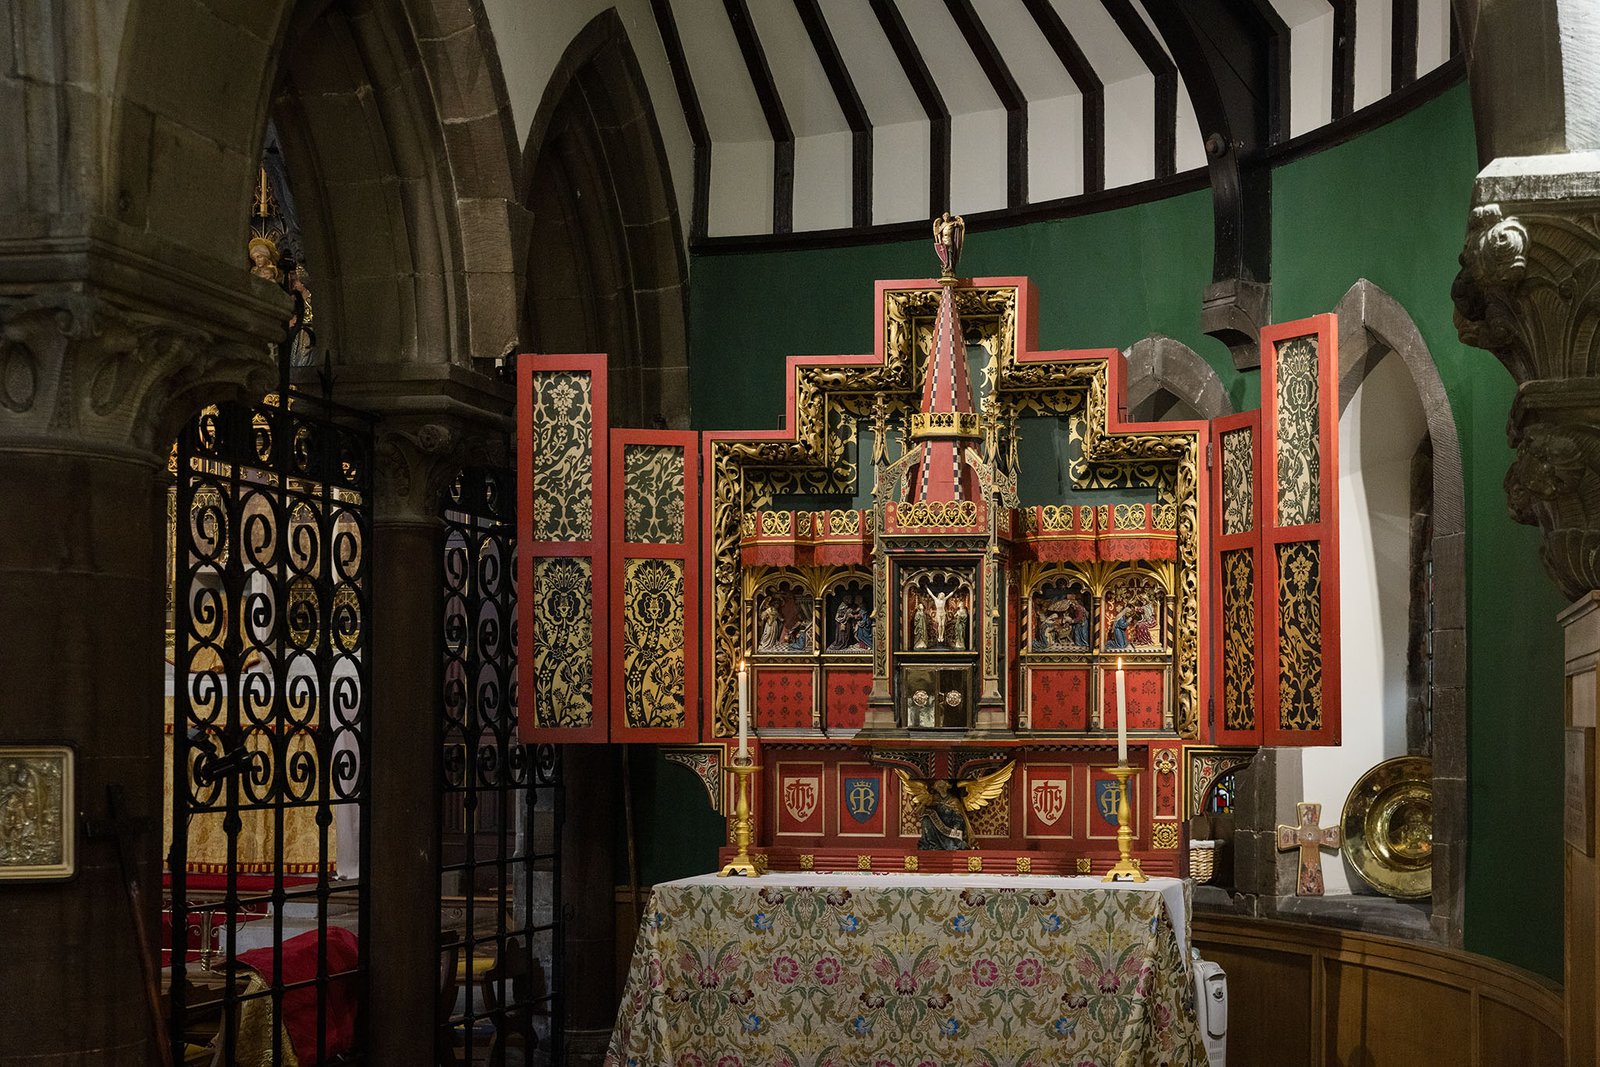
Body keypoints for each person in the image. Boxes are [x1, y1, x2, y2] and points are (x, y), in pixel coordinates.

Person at [918, 780, 968, 850]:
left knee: (953, 844)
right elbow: (926, 810)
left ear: (947, 787)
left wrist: (956, 826)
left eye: (942, 787)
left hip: (950, 826)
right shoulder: (934, 799)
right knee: (926, 820)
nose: (941, 789)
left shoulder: (954, 801)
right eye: (939, 787)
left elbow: (959, 817)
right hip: (936, 827)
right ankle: (932, 844)